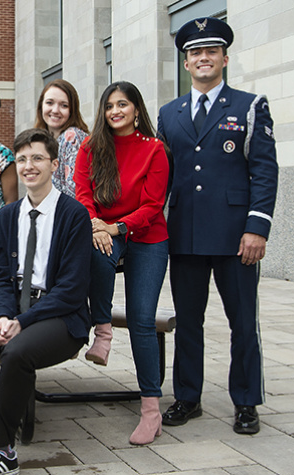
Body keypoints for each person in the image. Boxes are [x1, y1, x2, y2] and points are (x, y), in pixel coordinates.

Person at [0, 128, 92, 475]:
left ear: (55, 164)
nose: (29, 166)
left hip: (59, 316)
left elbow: (73, 289)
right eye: (23, 159)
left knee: (16, 351)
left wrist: (20, 322)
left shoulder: (73, 214)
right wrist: (0, 316)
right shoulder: (10, 214)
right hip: (13, 308)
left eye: (38, 158)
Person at [157, 17, 279, 435]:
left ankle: (246, 402)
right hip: (186, 235)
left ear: (224, 58)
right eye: (195, 52)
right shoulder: (168, 112)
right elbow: (162, 175)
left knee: (243, 322)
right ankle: (188, 397)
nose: (203, 58)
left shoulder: (249, 105)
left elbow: (264, 171)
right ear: (186, 63)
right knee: (188, 322)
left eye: (210, 51)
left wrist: (257, 228)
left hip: (235, 236)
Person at [74, 82, 170, 445]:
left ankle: (150, 409)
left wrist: (115, 227)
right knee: (96, 256)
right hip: (104, 231)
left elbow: (152, 205)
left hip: (146, 236)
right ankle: (103, 331)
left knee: (143, 320)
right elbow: (83, 193)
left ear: (135, 109)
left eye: (123, 104)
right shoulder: (92, 146)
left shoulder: (154, 149)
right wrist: (97, 224)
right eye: (110, 105)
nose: (116, 111)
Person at [34, 79, 89, 197]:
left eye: (64, 105)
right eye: (49, 103)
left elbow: (73, 193)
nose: (55, 110)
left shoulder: (72, 137)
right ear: (41, 106)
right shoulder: (40, 141)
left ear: (72, 110)